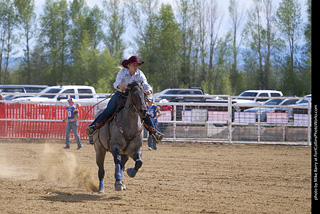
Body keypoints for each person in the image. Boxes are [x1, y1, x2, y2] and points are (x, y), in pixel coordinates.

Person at [85, 56, 164, 142]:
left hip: (134, 96)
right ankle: (93, 127)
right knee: (109, 109)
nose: (136, 67)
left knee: (144, 111)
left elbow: (146, 84)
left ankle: (154, 132)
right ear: (129, 65)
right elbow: (116, 83)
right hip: (120, 95)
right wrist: (119, 86)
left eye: (137, 65)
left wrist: (149, 90)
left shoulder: (140, 74)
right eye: (134, 65)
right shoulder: (122, 72)